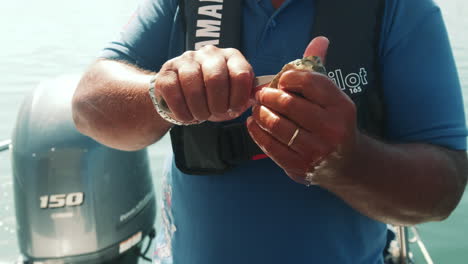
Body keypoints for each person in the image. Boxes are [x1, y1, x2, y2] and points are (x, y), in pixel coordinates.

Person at [72, 0, 468, 263]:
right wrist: (163, 94)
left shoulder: (400, 9)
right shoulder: (182, 5)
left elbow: (443, 190)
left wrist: (348, 161)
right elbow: (88, 104)